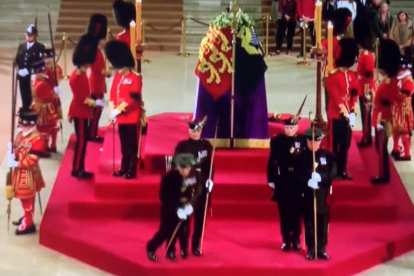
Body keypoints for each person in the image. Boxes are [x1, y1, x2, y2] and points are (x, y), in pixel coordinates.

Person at [146, 153, 202, 262]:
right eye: (182, 168)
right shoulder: (169, 178)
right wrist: (177, 209)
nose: (185, 171)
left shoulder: (196, 175)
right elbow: (164, 197)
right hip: (169, 208)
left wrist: (190, 205)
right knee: (166, 230)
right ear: (177, 167)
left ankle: (178, 249)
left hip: (186, 207)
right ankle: (151, 247)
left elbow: (197, 192)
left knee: (183, 230)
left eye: (187, 168)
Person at [174, 117, 214, 257]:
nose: (196, 133)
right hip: (187, 186)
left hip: (201, 186)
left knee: (199, 219)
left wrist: (211, 180)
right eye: (193, 130)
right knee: (184, 219)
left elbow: (210, 166)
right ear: (189, 131)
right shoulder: (182, 146)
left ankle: (196, 246)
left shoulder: (207, 146)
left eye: (198, 130)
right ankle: (184, 247)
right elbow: (177, 166)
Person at [267, 116, 306, 251]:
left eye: (291, 128)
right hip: (282, 180)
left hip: (298, 182)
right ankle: (285, 239)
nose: (289, 130)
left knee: (297, 213)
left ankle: (296, 239)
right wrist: (271, 180)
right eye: (287, 128)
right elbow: (272, 161)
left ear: (297, 128)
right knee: (284, 213)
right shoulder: (277, 141)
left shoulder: (302, 141)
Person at [297, 128, 337, 260]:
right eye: (310, 142)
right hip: (308, 196)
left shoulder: (327, 156)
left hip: (323, 195)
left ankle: (321, 248)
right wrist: (307, 180)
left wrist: (320, 177)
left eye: (316, 142)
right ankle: (311, 249)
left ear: (320, 142)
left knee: (323, 224)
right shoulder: (302, 157)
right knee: (309, 224)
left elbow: (333, 173)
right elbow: (297, 175)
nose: (313, 145)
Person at [105, 40, 142, 179]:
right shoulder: (118, 77)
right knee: (123, 146)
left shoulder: (135, 78)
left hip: (131, 117)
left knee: (132, 147)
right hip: (120, 118)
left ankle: (132, 170)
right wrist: (112, 110)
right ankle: (123, 167)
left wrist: (118, 110)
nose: (118, 69)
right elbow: (113, 94)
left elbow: (133, 99)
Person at [5, 109, 46, 235]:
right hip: (19, 172)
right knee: (24, 198)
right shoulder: (21, 135)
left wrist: (17, 163)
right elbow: (18, 148)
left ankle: (28, 222)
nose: (20, 125)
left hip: (28, 173)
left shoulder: (37, 139)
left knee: (27, 197)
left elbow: (33, 159)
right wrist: (13, 151)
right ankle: (27, 216)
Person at [68, 34, 103, 179]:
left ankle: (80, 167)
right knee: (81, 143)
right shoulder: (77, 76)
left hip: (82, 111)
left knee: (83, 142)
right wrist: (96, 103)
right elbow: (82, 99)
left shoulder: (80, 73)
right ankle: (77, 169)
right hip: (80, 112)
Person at [325, 38, 359, 180]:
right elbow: (334, 95)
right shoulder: (332, 76)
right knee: (335, 144)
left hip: (349, 114)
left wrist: (354, 105)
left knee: (345, 144)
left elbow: (354, 92)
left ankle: (342, 170)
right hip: (336, 114)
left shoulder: (351, 75)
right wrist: (343, 109)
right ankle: (333, 170)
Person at [371, 39, 400, 184]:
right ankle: (383, 173)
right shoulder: (389, 80)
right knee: (380, 147)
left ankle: (384, 175)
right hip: (381, 116)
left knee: (381, 147)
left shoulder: (390, 82)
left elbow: (390, 101)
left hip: (384, 118)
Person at [322, 8, 353, 113]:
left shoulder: (327, 41)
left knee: (330, 99)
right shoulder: (345, 42)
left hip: (328, 71)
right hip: (341, 72)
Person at [30, 59, 60, 155]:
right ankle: (43, 148)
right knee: (45, 129)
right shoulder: (41, 83)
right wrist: (56, 92)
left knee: (50, 127)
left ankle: (51, 145)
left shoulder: (37, 80)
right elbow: (52, 95)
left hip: (41, 106)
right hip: (44, 108)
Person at [355, 16, 376, 147]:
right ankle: (365, 136)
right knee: (365, 115)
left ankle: (366, 138)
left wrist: (359, 76)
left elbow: (368, 72)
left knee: (366, 115)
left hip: (366, 88)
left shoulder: (366, 55)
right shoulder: (365, 53)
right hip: (364, 86)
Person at [87, 14, 108, 143]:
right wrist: (109, 71)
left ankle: (92, 131)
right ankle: (92, 133)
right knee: (95, 112)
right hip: (96, 84)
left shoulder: (96, 51)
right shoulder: (96, 52)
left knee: (95, 111)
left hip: (97, 83)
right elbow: (99, 71)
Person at [14, 24, 45, 110]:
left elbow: (40, 62)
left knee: (32, 96)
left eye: (30, 35)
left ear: (35, 36)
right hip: (22, 76)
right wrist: (19, 69)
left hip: (33, 76)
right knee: (24, 94)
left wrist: (29, 70)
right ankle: (25, 110)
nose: (28, 37)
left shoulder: (40, 47)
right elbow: (18, 59)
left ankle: (32, 110)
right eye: (27, 35)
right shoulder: (22, 46)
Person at [391, 56, 414, 161]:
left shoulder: (408, 81)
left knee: (404, 132)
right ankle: (396, 148)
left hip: (404, 110)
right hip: (397, 109)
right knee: (395, 131)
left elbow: (403, 95)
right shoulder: (400, 79)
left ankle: (407, 154)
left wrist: (393, 93)